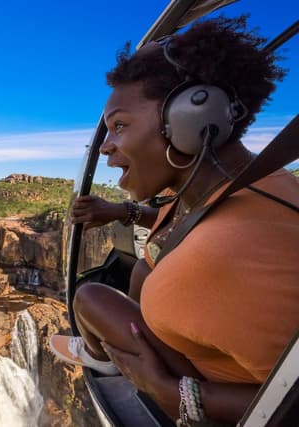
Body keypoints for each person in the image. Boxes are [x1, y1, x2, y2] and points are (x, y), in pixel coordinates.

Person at [49, 16, 299, 426]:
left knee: (89, 299)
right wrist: (121, 211)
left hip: (201, 391)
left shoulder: (222, 254)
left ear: (188, 120)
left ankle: (100, 356)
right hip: (183, 340)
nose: (107, 147)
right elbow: (186, 224)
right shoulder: (256, 183)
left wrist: (175, 394)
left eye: (120, 126)